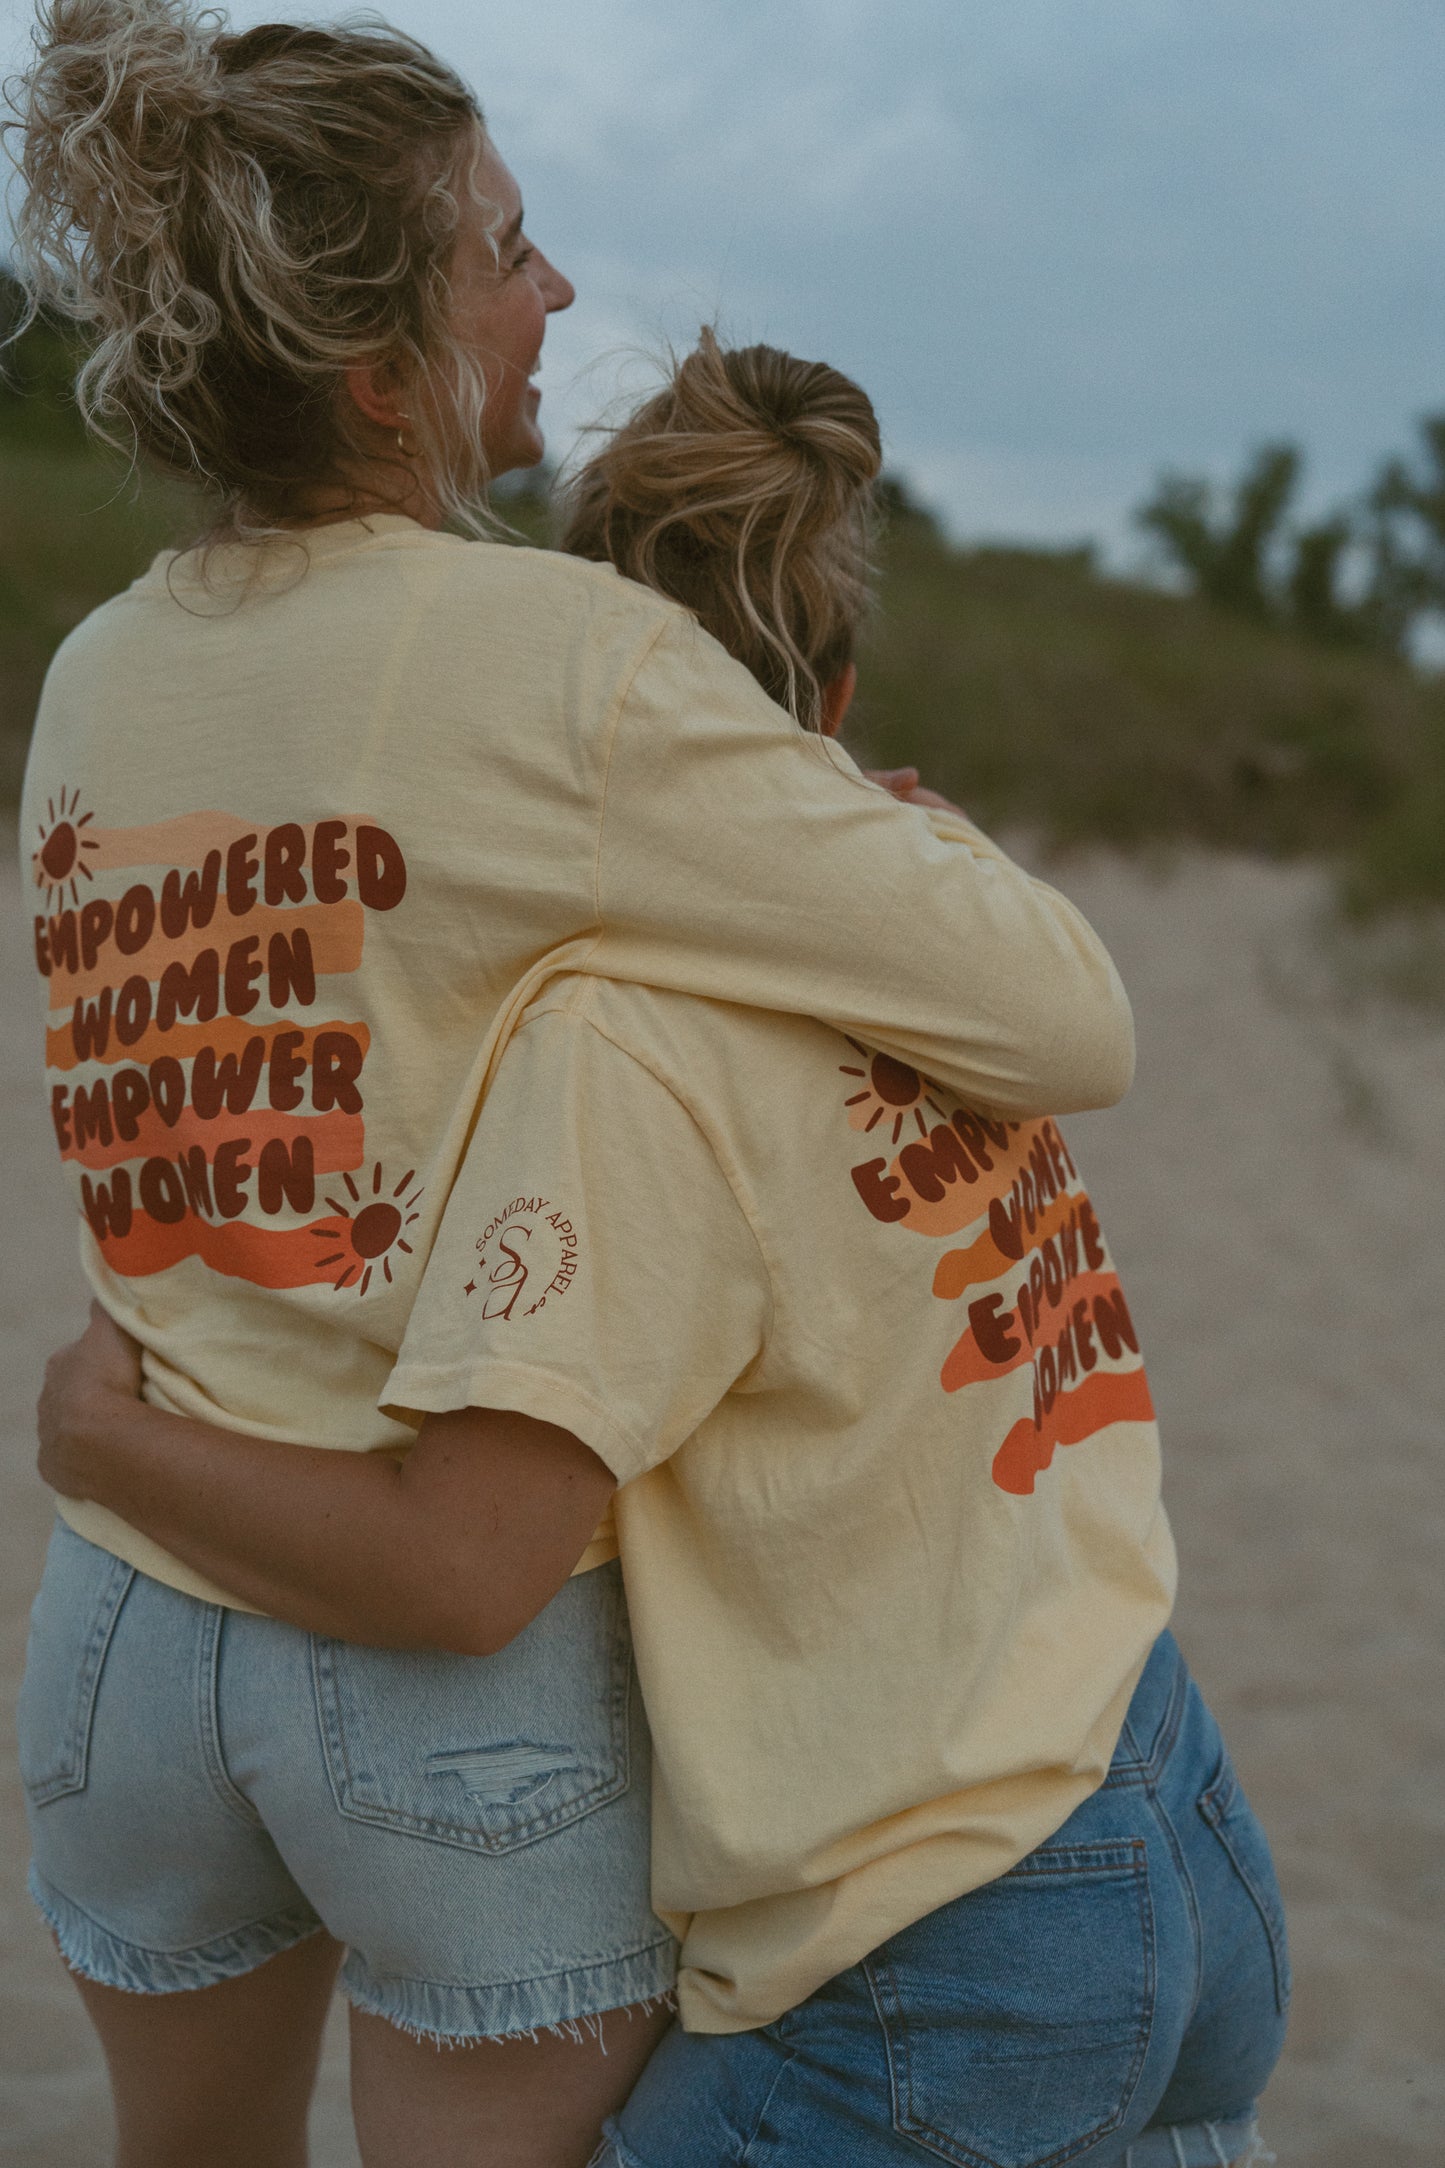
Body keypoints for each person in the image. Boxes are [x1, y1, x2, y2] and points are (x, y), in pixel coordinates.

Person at [9, 5, 1138, 2166]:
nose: (561, 299)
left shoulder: (94, 668)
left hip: (123, 1604)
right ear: (381, 370)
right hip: (436, 1656)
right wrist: (865, 836)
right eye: (508, 255)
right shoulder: (564, 661)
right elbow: (1065, 1019)